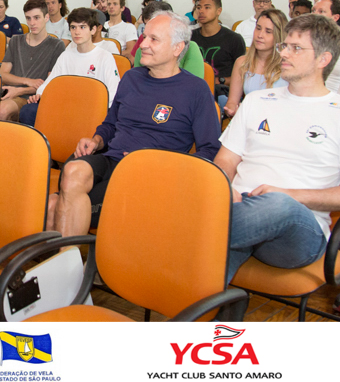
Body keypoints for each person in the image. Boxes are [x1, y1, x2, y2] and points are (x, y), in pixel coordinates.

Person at [215, 14, 340, 290]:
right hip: (241, 212)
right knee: (203, 281)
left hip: (298, 232)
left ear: (323, 59)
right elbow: (225, 160)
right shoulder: (256, 101)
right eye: (284, 46)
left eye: (296, 48)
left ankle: (185, 230)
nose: (284, 53)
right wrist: (223, 187)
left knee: (278, 204)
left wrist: (290, 195)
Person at [48, 12, 221, 237]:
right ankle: (70, 255)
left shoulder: (196, 90)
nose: (143, 45)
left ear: (177, 48)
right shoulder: (132, 78)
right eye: (144, 37)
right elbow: (110, 124)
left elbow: (210, 150)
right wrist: (96, 140)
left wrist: (159, 164)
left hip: (150, 174)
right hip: (113, 160)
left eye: (153, 39)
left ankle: (68, 255)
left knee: (54, 206)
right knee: (72, 170)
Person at [18, 8, 121, 126]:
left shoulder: (105, 57)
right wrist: (39, 94)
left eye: (82, 27)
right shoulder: (66, 55)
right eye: (73, 27)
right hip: (67, 105)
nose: (77, 32)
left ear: (93, 30)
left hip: (91, 108)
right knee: (28, 111)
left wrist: (91, 106)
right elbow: (50, 82)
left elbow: (113, 92)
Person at [0, 0, 66, 120]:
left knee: (2, 110)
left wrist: (19, 91)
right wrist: (27, 81)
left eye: (36, 18)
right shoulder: (15, 41)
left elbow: (50, 84)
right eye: (28, 18)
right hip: (7, 92)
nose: (32, 23)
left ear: (46, 17)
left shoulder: (56, 45)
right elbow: (3, 74)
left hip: (30, 97)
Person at [223, 9, 288, 118]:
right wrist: (231, 110)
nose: (260, 35)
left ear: (279, 35)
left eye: (268, 31)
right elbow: (232, 102)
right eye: (258, 28)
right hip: (250, 119)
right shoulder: (242, 63)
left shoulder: (288, 65)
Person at [192, 0, 246, 102]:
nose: (201, 11)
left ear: (218, 11)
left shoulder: (234, 39)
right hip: (195, 89)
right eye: (198, 7)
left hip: (222, 91)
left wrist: (218, 80)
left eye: (207, 7)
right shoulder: (190, 37)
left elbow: (243, 75)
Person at [132, 0, 205, 79]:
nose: (143, 44)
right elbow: (137, 81)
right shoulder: (141, 51)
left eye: (157, 24)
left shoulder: (190, 48)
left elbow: (192, 82)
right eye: (147, 25)